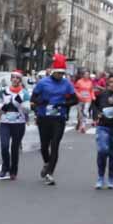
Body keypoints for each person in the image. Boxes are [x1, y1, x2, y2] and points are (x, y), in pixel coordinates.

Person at [31, 55, 78, 185]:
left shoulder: (67, 84)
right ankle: (47, 163)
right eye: (58, 73)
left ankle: (50, 173)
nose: (60, 76)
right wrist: (42, 101)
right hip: (44, 117)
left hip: (59, 118)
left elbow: (75, 99)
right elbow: (33, 98)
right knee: (44, 146)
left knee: (55, 145)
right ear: (53, 71)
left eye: (62, 73)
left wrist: (63, 104)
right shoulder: (43, 83)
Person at [0, 70, 31, 180]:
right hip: (5, 122)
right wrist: (3, 107)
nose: (15, 79)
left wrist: (20, 103)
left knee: (14, 148)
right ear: (11, 79)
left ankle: (13, 170)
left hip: (18, 123)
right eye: (13, 77)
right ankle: (5, 167)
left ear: (20, 80)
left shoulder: (24, 93)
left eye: (17, 78)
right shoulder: (4, 91)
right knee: (4, 146)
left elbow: (27, 109)